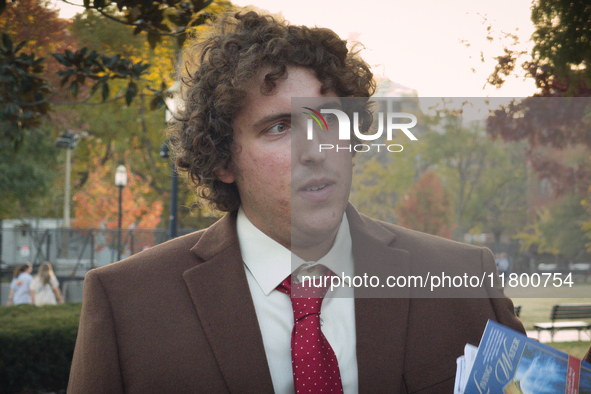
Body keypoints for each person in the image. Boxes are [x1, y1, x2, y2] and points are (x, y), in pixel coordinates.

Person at [68, 10, 543, 393]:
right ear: (222, 160)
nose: (316, 149)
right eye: (278, 127)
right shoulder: (129, 304)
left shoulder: (464, 281)